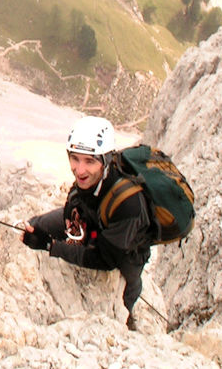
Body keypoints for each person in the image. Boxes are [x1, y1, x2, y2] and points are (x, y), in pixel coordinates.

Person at [21, 116, 152, 329]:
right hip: (93, 218)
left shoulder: (129, 203)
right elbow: (76, 208)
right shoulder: (90, 180)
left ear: (106, 160)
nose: (79, 170)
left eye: (90, 161)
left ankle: (127, 318)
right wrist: (41, 232)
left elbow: (104, 260)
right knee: (37, 224)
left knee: (129, 282)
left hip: (128, 245)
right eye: (75, 158)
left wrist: (51, 246)